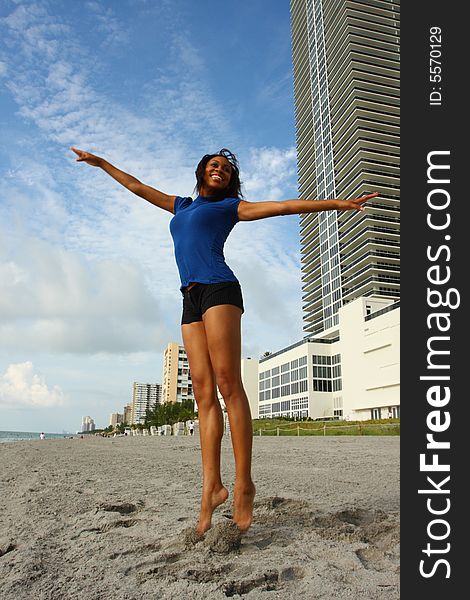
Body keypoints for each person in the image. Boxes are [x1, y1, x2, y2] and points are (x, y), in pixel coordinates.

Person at [70, 145, 378, 534]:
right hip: (190, 297)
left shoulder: (231, 208)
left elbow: (283, 206)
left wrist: (337, 203)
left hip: (220, 290)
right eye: (214, 166)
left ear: (231, 181)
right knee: (202, 391)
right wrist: (101, 163)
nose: (221, 171)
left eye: (227, 170)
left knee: (228, 384)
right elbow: (136, 186)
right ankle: (211, 487)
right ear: (202, 171)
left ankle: (244, 483)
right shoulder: (181, 206)